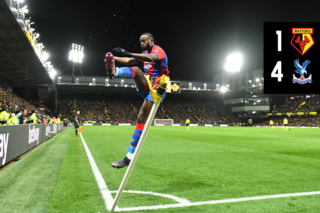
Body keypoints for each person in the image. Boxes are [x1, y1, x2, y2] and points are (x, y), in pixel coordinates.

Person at [105, 32, 170, 169]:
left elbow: (151, 57)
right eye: (140, 41)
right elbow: (129, 61)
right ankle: (114, 72)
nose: (142, 43)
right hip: (146, 85)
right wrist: (112, 58)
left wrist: (128, 53)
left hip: (157, 88)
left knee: (141, 119)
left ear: (151, 40)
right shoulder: (143, 54)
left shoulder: (158, 50)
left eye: (144, 40)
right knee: (135, 69)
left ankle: (128, 157)